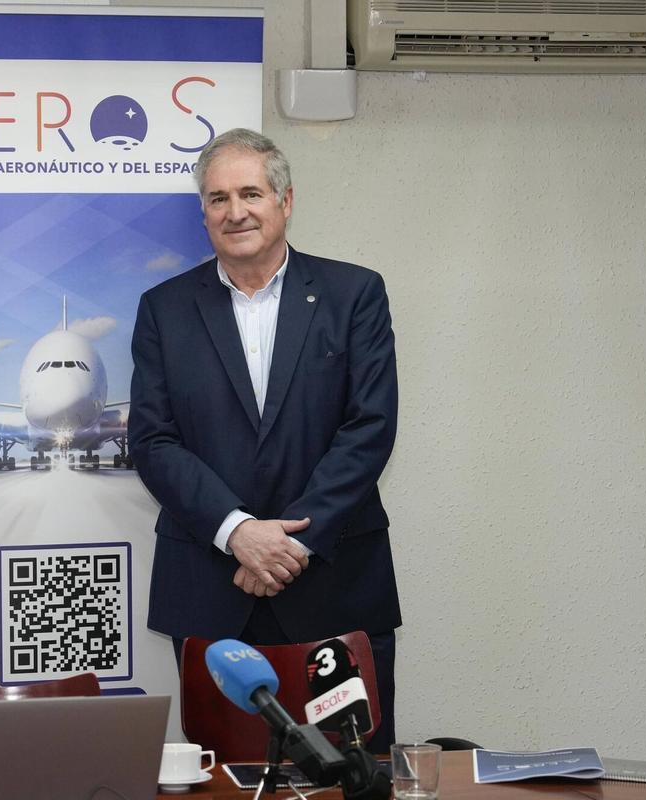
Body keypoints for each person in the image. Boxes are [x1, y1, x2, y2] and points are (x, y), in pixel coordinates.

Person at [128, 129, 400, 752]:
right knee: (227, 779)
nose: (235, 212)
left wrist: (289, 545)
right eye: (218, 198)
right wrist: (238, 533)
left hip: (334, 585)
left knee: (351, 774)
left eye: (250, 193)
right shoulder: (163, 309)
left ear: (285, 200)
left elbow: (370, 426)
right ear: (203, 212)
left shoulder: (354, 294)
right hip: (212, 588)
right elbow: (153, 440)